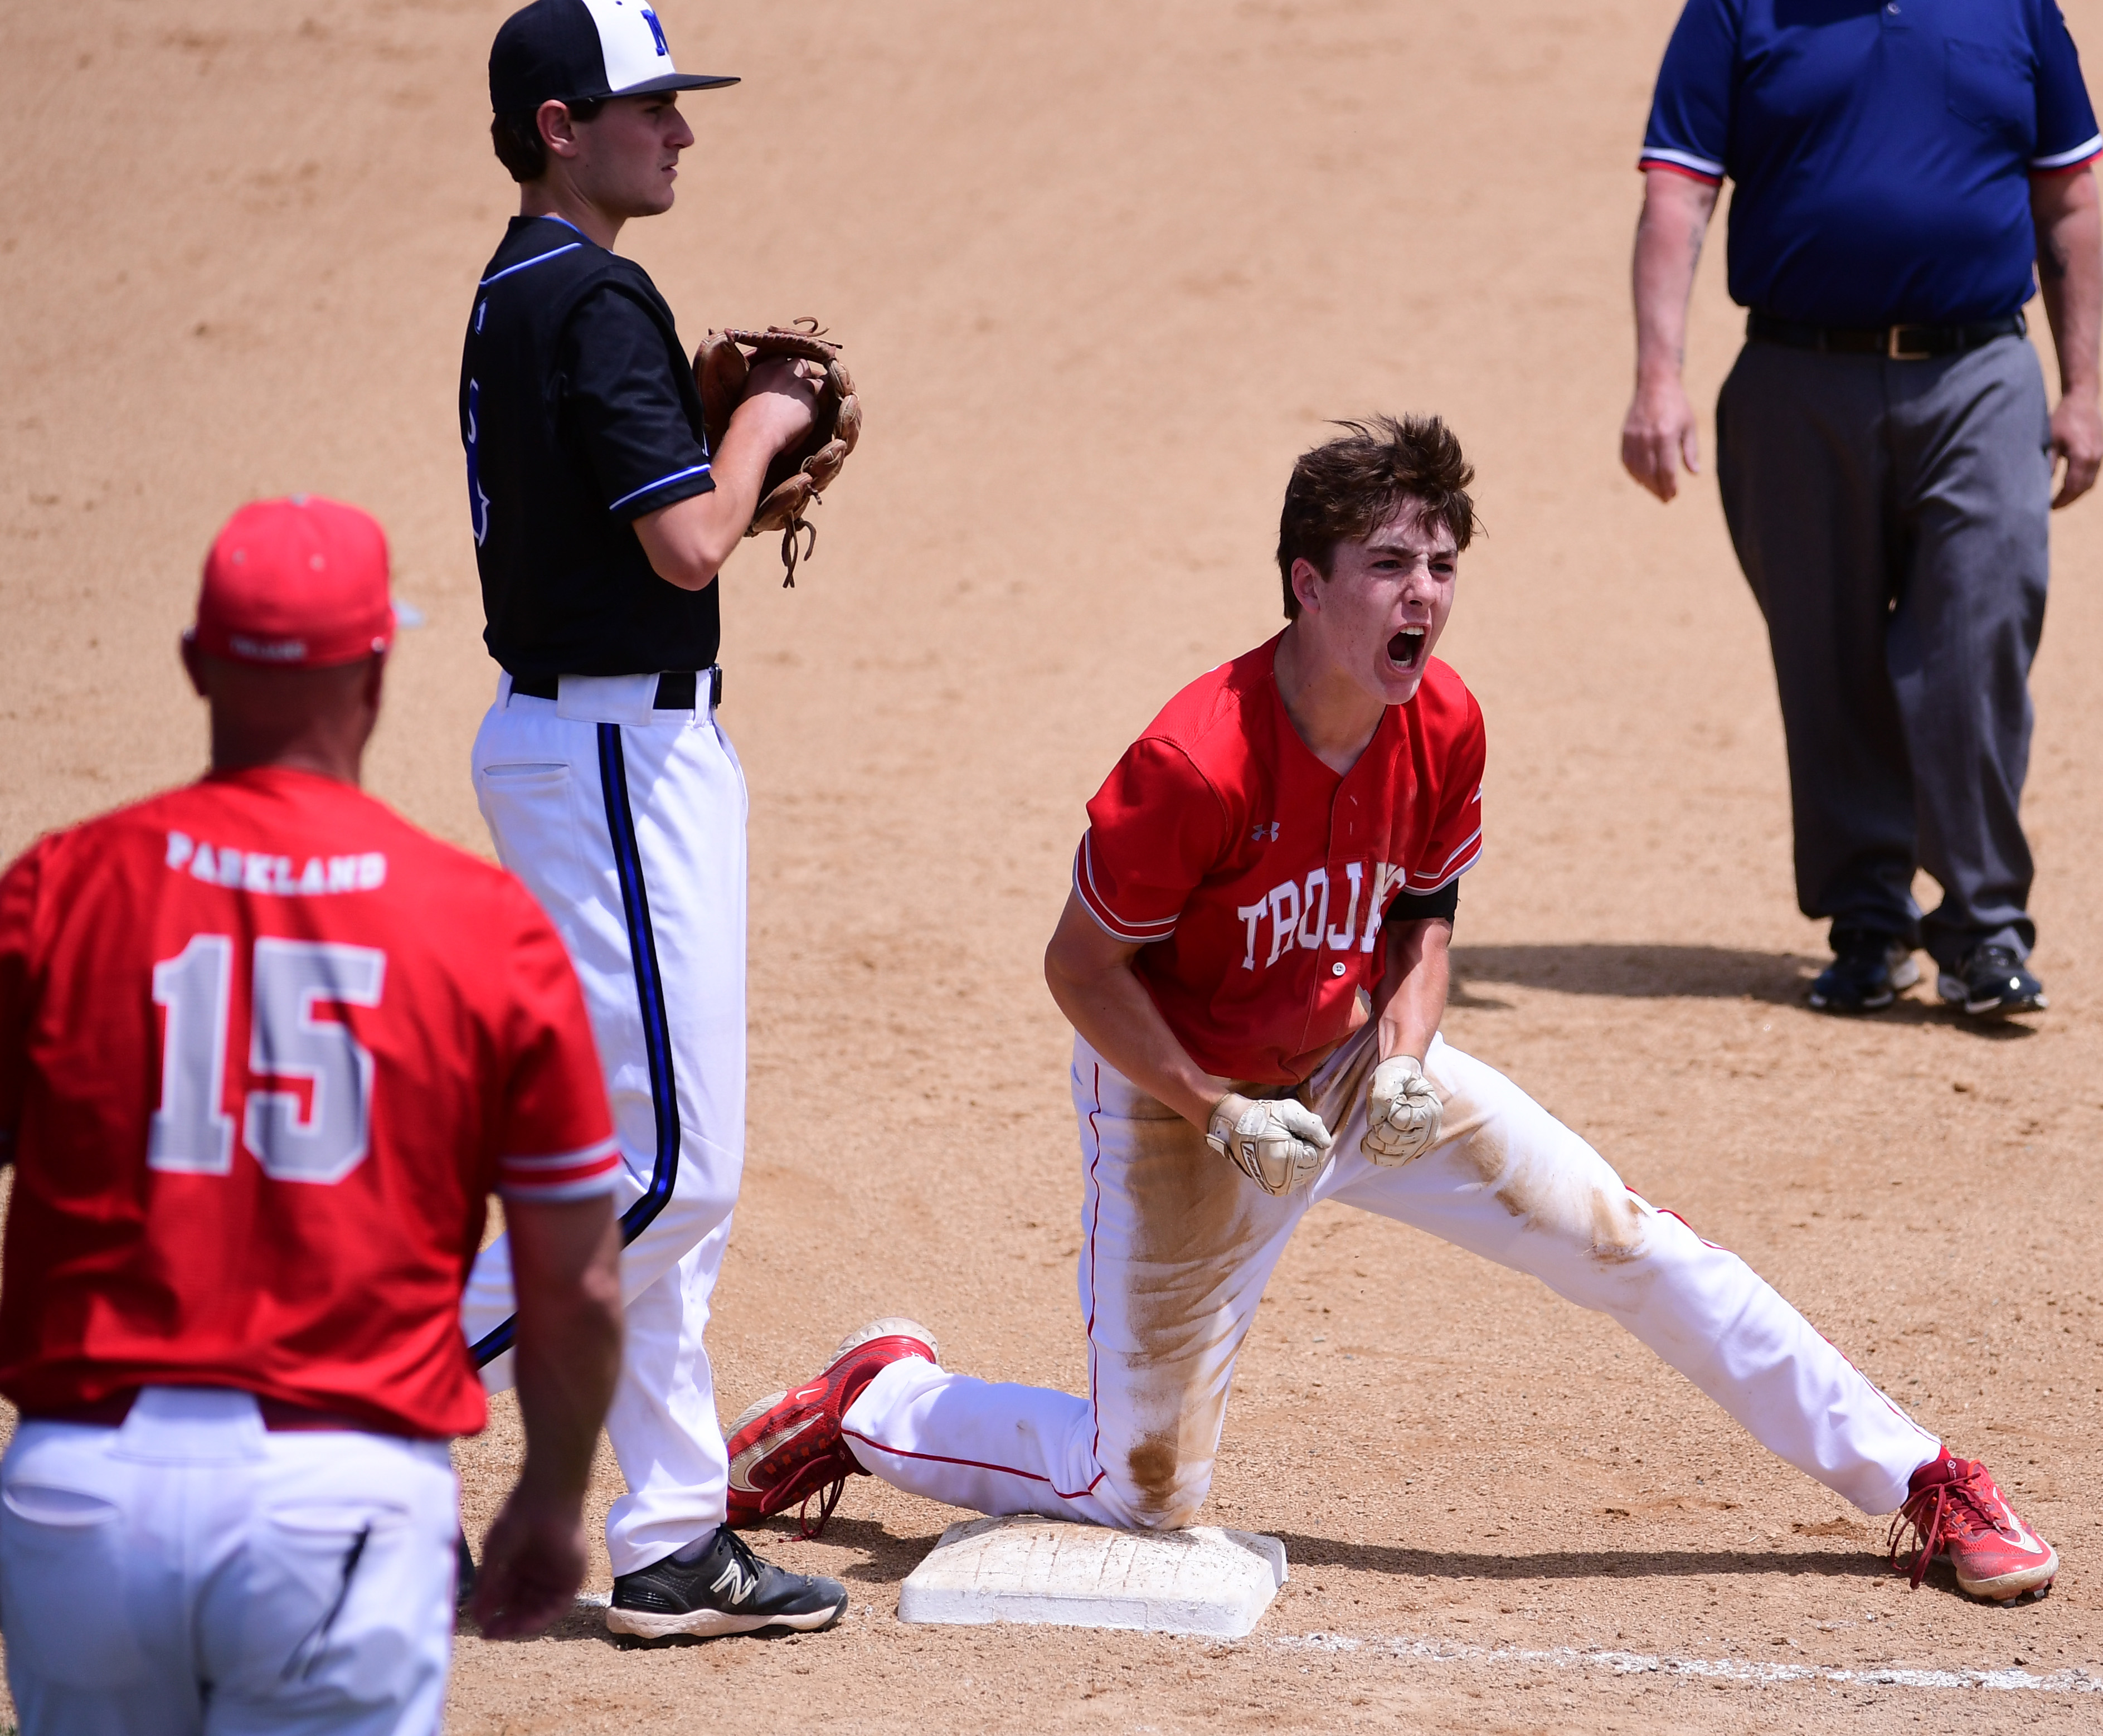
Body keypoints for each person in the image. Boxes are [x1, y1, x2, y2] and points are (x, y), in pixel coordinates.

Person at [723, 419, 2059, 1606]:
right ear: (1308, 586)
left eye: (1441, 566)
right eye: (1388, 565)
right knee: (1140, 1490)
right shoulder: (1196, 760)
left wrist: (1408, 1058)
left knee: (1628, 1239)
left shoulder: (1444, 721)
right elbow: (1082, 970)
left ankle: (1923, 1476)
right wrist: (1220, 1108)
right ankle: (877, 1399)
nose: (1423, 595)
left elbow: (1426, 910)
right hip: (1182, 1105)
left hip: (1358, 1068)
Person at [0, 496, 625, 1735]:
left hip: (85, 1491)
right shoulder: (481, 928)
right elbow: (583, 1284)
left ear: (194, 666)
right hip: (335, 1501)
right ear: (380, 669)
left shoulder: (60, 889)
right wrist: (553, 1499)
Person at [455, 0, 847, 1640]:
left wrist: (708, 445)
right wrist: (762, 428)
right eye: (648, 108)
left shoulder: (518, 284)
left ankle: (676, 1535)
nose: (679, 132)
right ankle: (323, 1390)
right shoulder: (595, 291)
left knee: (659, 1163)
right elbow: (688, 546)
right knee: (659, 1170)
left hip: (605, 747)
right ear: (561, 125)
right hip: (613, 751)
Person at [1620, 0, 2103, 1018]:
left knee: (1975, 644)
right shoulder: (1739, 10)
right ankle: (1868, 922)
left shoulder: (2013, 8)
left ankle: (1981, 931)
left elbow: (2068, 197)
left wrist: (2085, 386)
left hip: (1978, 373)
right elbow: (1677, 191)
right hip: (1795, 378)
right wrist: (1657, 379)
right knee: (1825, 653)